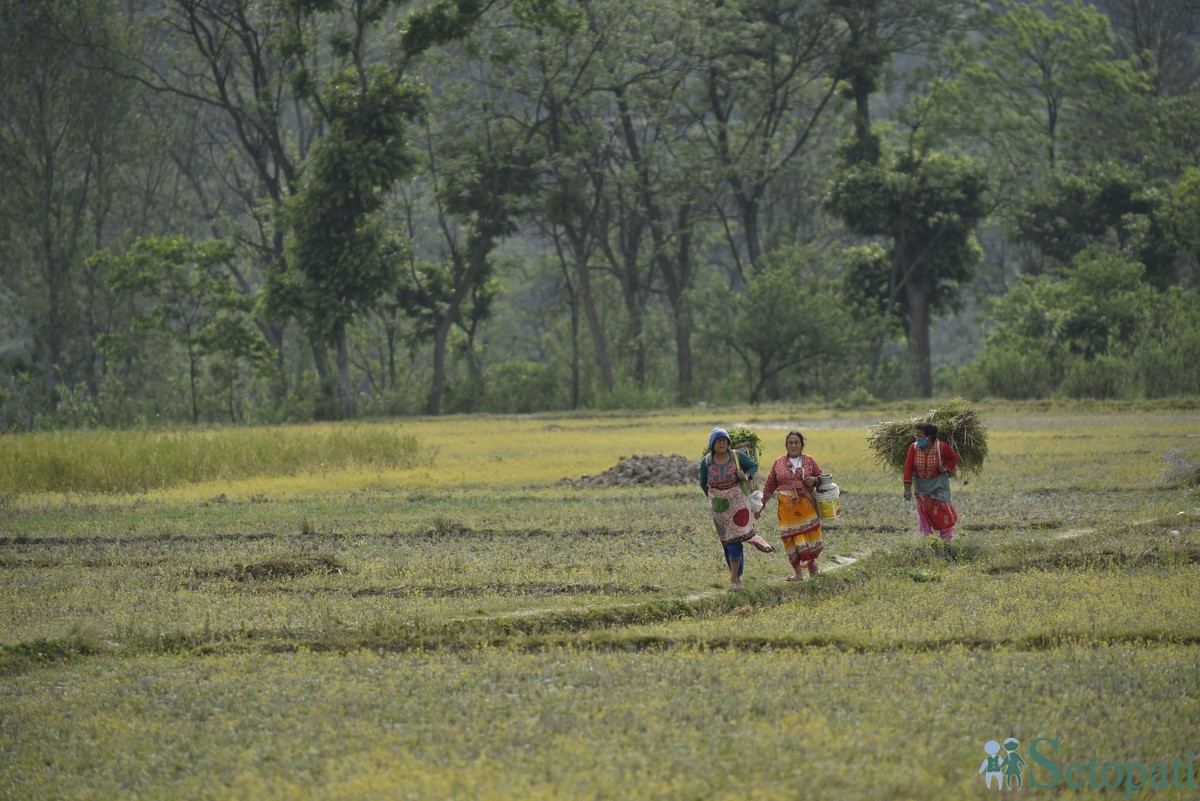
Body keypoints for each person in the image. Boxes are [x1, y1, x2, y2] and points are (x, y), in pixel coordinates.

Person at [699, 427, 773, 590]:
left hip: (738, 502)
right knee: (727, 542)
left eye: (724, 441)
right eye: (718, 441)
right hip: (719, 508)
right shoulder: (706, 461)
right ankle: (737, 574)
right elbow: (702, 481)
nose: (722, 443)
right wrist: (712, 498)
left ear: (728, 443)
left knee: (736, 539)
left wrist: (745, 476)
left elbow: (753, 466)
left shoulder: (736, 456)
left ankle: (733, 579)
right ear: (712, 444)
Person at [757, 430, 825, 580]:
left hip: (806, 507)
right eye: (790, 443)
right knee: (790, 538)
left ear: (802, 445)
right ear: (786, 445)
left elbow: (822, 478)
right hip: (786, 509)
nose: (793, 445)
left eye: (796, 443)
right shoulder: (778, 463)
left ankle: (812, 566)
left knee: (805, 535)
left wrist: (814, 480)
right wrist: (760, 506)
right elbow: (769, 486)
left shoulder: (809, 460)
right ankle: (798, 573)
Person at [903, 422, 960, 541]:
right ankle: (928, 542)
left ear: (929, 437)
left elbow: (954, 457)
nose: (918, 439)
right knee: (924, 514)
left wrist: (946, 468)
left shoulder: (941, 447)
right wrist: (907, 489)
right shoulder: (913, 448)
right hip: (922, 486)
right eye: (917, 436)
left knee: (943, 512)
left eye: (921, 437)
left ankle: (947, 541)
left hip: (939, 484)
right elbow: (908, 468)